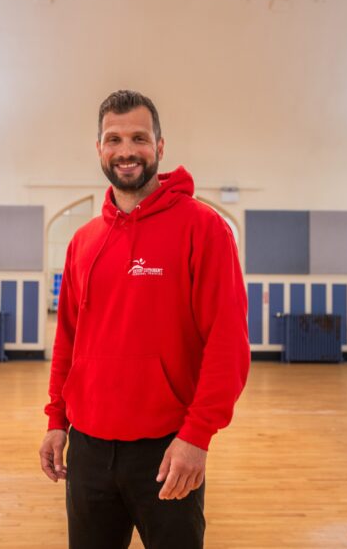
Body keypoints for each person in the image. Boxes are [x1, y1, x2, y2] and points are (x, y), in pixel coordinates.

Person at [39, 89, 250, 549]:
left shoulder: (205, 229)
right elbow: (68, 342)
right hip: (89, 451)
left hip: (167, 449)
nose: (126, 150)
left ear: (160, 146)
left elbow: (228, 342)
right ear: (99, 149)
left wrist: (197, 437)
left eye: (139, 137)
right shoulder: (84, 242)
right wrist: (57, 419)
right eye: (113, 139)